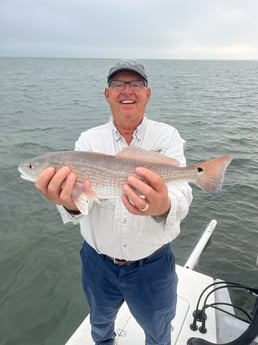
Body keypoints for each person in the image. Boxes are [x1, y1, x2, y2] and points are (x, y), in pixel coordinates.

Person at [36, 60, 193, 345]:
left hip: (153, 267)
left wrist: (163, 205)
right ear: (107, 94)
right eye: (118, 84)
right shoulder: (88, 140)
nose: (126, 90)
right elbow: (83, 203)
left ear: (148, 93)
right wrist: (68, 202)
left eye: (135, 84)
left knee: (159, 332)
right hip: (98, 264)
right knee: (100, 324)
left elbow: (182, 191)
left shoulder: (166, 136)